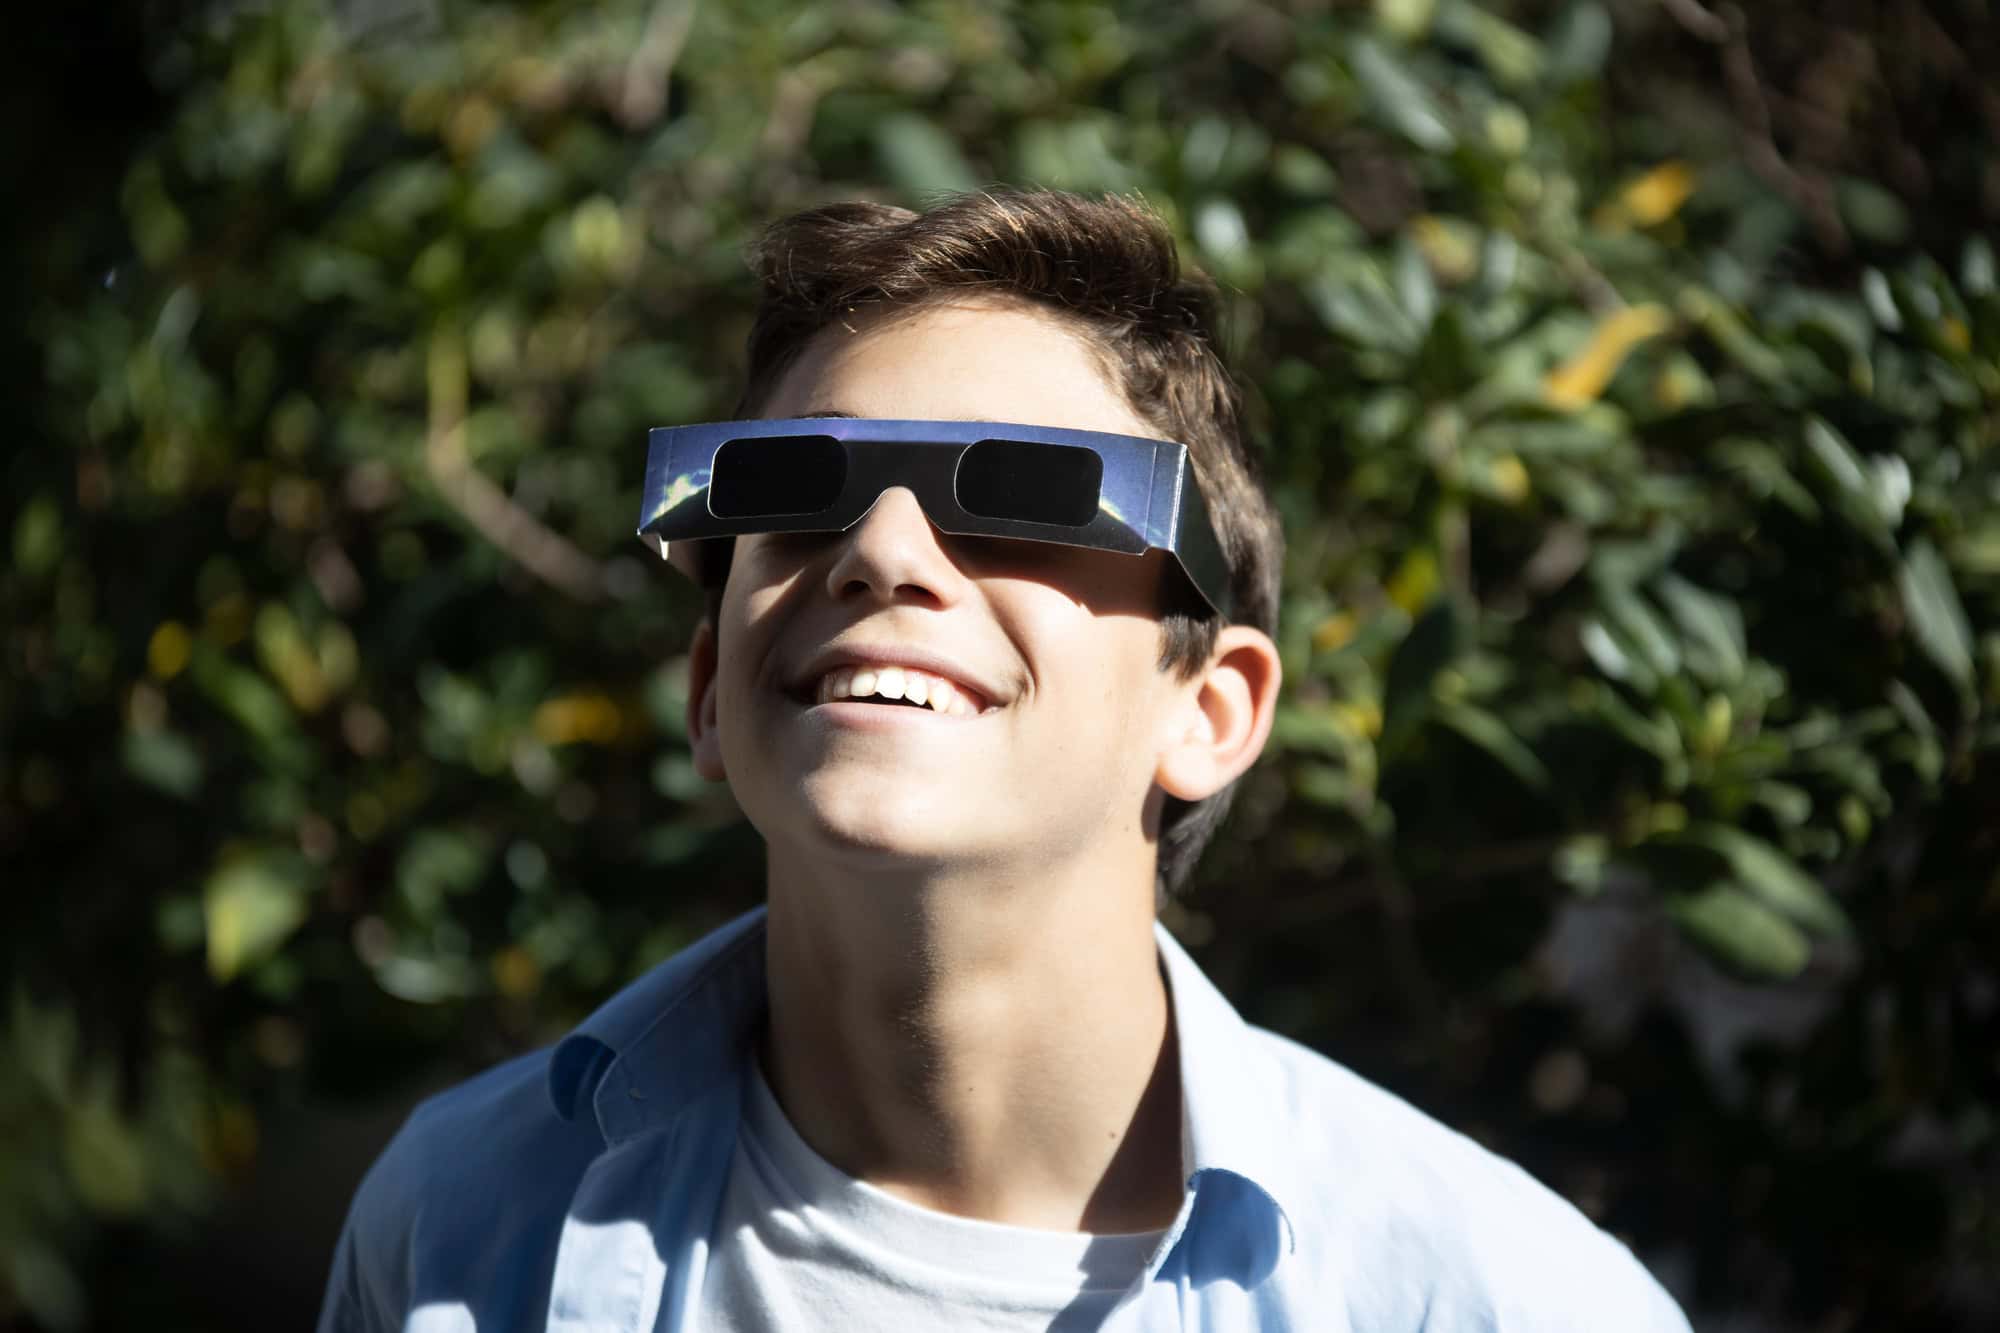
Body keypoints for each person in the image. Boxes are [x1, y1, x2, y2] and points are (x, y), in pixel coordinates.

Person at [318, 189, 1690, 1332]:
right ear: (707, 690)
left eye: (1031, 499)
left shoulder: (1509, 1300)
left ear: (1208, 710)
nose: (883, 552)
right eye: (793, 494)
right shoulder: (460, 1225)